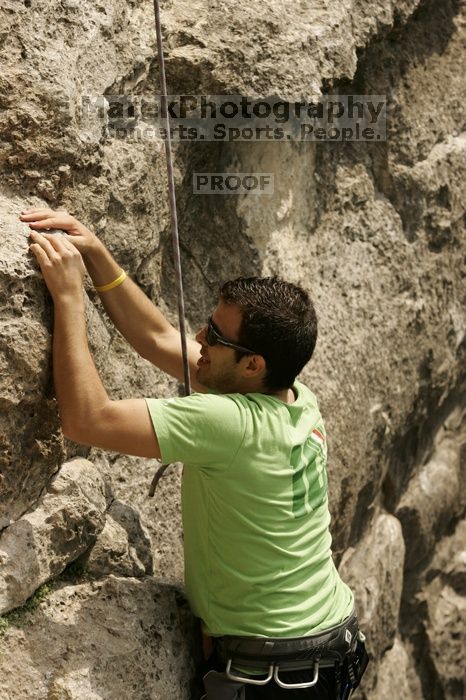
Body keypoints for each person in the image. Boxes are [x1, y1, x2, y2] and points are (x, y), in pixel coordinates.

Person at [20, 208, 368, 699]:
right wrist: (95, 252)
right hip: (324, 647)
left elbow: (87, 419)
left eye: (216, 337)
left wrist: (69, 296)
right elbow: (159, 338)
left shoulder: (230, 424)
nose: (200, 339)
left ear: (252, 364)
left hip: (281, 676)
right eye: (208, 324)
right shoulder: (295, 399)